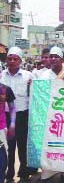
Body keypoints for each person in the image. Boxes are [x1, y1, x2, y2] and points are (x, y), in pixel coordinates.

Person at [39, 46, 64, 183]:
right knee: (49, 144)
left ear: (63, 60)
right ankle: (47, 173)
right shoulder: (44, 76)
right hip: (49, 118)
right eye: (51, 56)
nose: (53, 59)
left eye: (56, 57)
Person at [1, 47, 34, 183]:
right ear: (6, 59)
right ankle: (9, 175)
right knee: (8, 146)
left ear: (20, 61)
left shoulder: (28, 76)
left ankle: (24, 172)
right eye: (10, 58)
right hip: (5, 116)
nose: (12, 61)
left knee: (22, 145)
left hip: (22, 115)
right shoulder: (1, 75)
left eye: (16, 59)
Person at [0, 80, 16, 183]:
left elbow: (12, 107)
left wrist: (12, 124)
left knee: (1, 162)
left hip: (1, 129)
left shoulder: (5, 89)